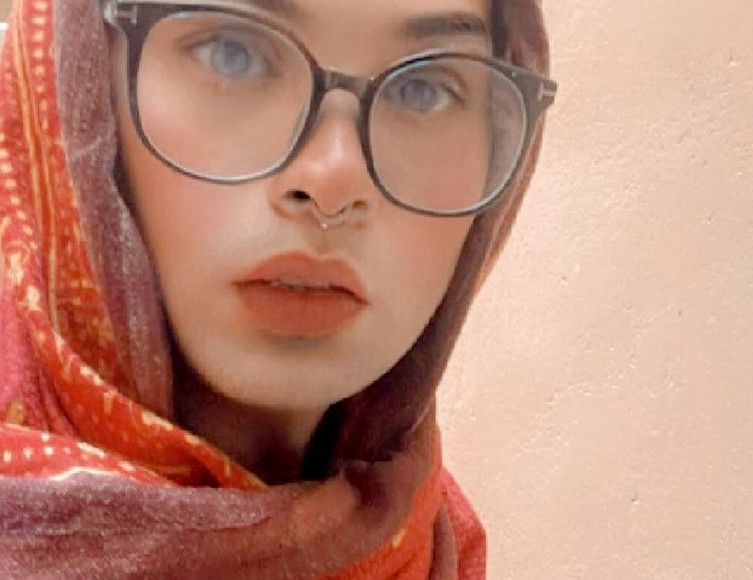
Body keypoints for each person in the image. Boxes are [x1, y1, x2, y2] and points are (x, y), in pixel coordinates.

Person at [0, 0, 554, 576]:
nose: (333, 182)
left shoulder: (431, 545)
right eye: (232, 53)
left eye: (425, 90)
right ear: (80, 80)